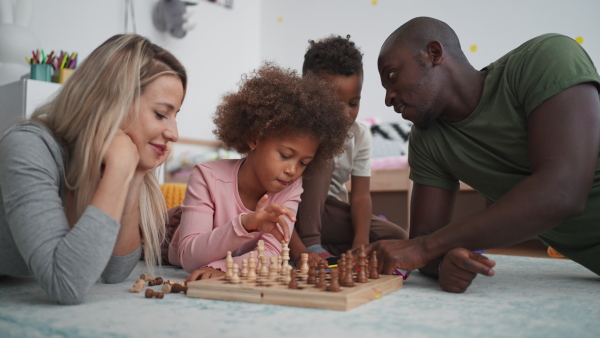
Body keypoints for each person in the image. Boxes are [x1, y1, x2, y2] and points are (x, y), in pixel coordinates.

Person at [370, 16, 600, 293]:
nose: (388, 98)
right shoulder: (427, 140)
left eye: (392, 75)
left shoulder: (548, 59)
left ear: (434, 53)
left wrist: (426, 247)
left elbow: (564, 192)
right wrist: (444, 262)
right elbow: (423, 242)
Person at [0, 34, 187, 304]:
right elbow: (67, 285)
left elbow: (115, 271)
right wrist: (119, 171)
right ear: (112, 102)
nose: (174, 133)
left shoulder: (109, 163)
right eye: (161, 113)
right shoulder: (28, 145)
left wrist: (134, 176)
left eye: (176, 115)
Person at [167, 63, 351, 281]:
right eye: (285, 155)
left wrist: (222, 268)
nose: (292, 170)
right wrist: (246, 224)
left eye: (304, 162)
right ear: (254, 137)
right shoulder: (207, 176)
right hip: (161, 238)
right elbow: (189, 258)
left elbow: (273, 254)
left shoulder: (290, 188)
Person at [289, 35, 408, 268]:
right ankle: (310, 245)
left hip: (331, 213)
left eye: (353, 103)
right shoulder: (295, 127)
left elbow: (361, 195)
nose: (345, 114)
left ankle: (323, 252)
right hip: (292, 211)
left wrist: (360, 241)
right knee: (322, 152)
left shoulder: (360, 134)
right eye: (334, 103)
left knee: (397, 238)